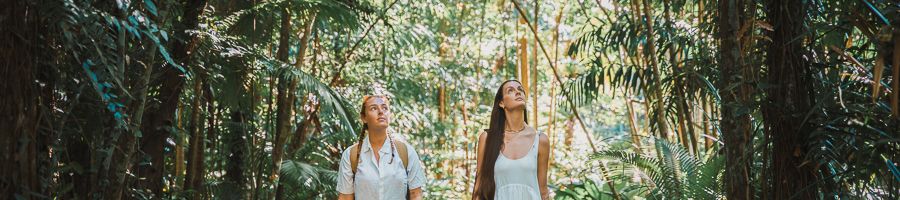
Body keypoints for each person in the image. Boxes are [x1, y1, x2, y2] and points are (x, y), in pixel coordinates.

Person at [472, 80, 550, 200]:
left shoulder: (540, 140)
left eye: (520, 90)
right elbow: (479, 187)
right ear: (502, 103)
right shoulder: (487, 138)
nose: (518, 92)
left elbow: (543, 192)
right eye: (511, 90)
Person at [337, 95, 425, 200]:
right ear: (364, 117)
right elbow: (346, 197)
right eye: (373, 108)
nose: (381, 112)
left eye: (384, 108)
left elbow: (416, 195)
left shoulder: (406, 152)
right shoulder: (351, 155)